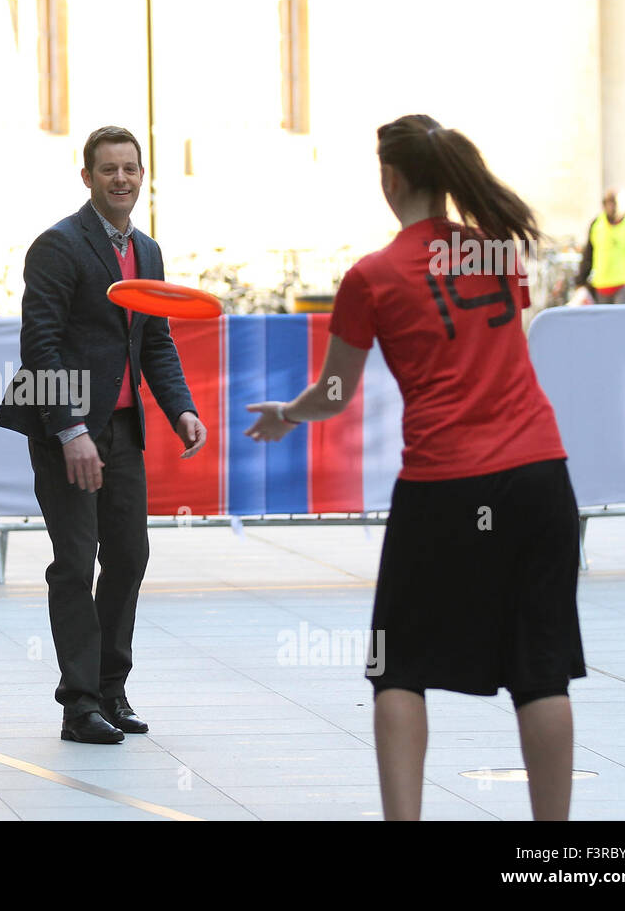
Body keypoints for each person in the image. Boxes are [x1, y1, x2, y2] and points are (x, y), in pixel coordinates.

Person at [246, 115, 585, 820]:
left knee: (397, 667)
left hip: (444, 485)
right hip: (541, 474)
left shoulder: (372, 275)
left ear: (390, 179)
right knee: (541, 672)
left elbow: (336, 392)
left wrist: (287, 415)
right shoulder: (494, 253)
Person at [0, 126, 207, 744]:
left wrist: (181, 409)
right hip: (67, 430)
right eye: (108, 169)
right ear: (86, 177)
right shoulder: (58, 246)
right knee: (75, 561)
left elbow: (156, 341)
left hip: (122, 428)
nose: (121, 179)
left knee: (130, 556)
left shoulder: (148, 251)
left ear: (142, 177)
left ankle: (112, 690)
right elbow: (40, 345)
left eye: (130, 169)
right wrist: (70, 432)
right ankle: (79, 703)